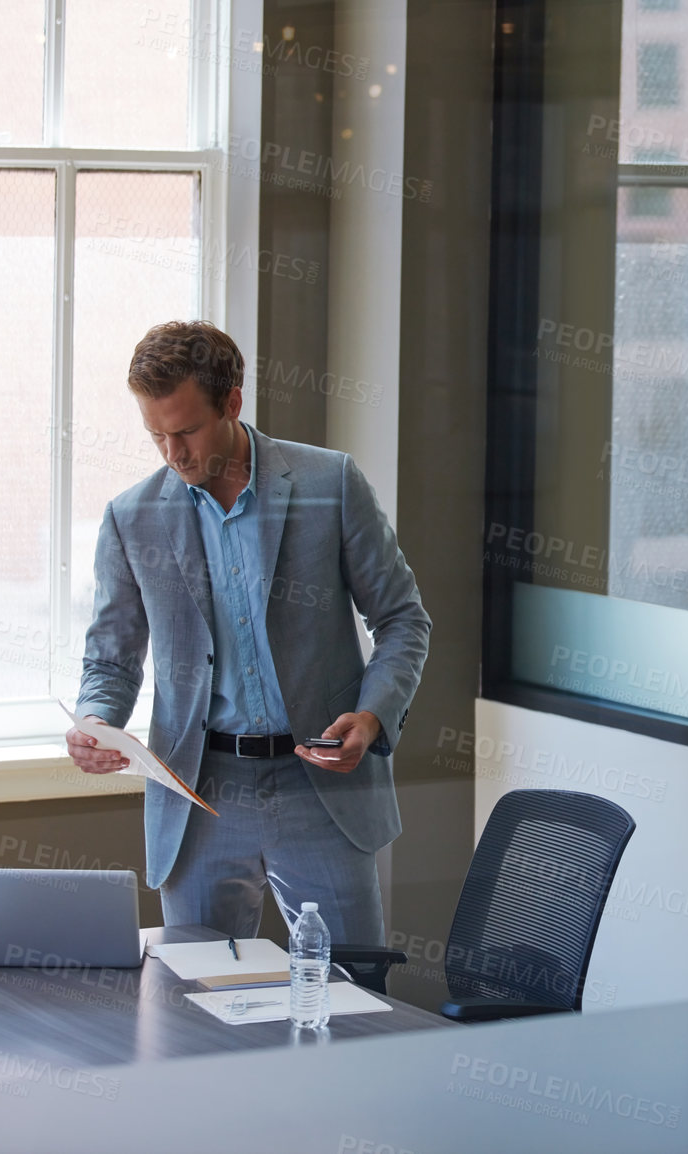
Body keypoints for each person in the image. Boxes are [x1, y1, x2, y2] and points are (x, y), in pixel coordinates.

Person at [65, 320, 429, 946]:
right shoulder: (131, 518)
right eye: (156, 436)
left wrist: (370, 718)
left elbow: (402, 620)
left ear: (232, 403)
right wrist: (94, 720)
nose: (172, 454)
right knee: (198, 1015)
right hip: (199, 788)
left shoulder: (330, 485)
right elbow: (111, 660)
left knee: (349, 1000)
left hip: (320, 783)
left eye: (185, 432)